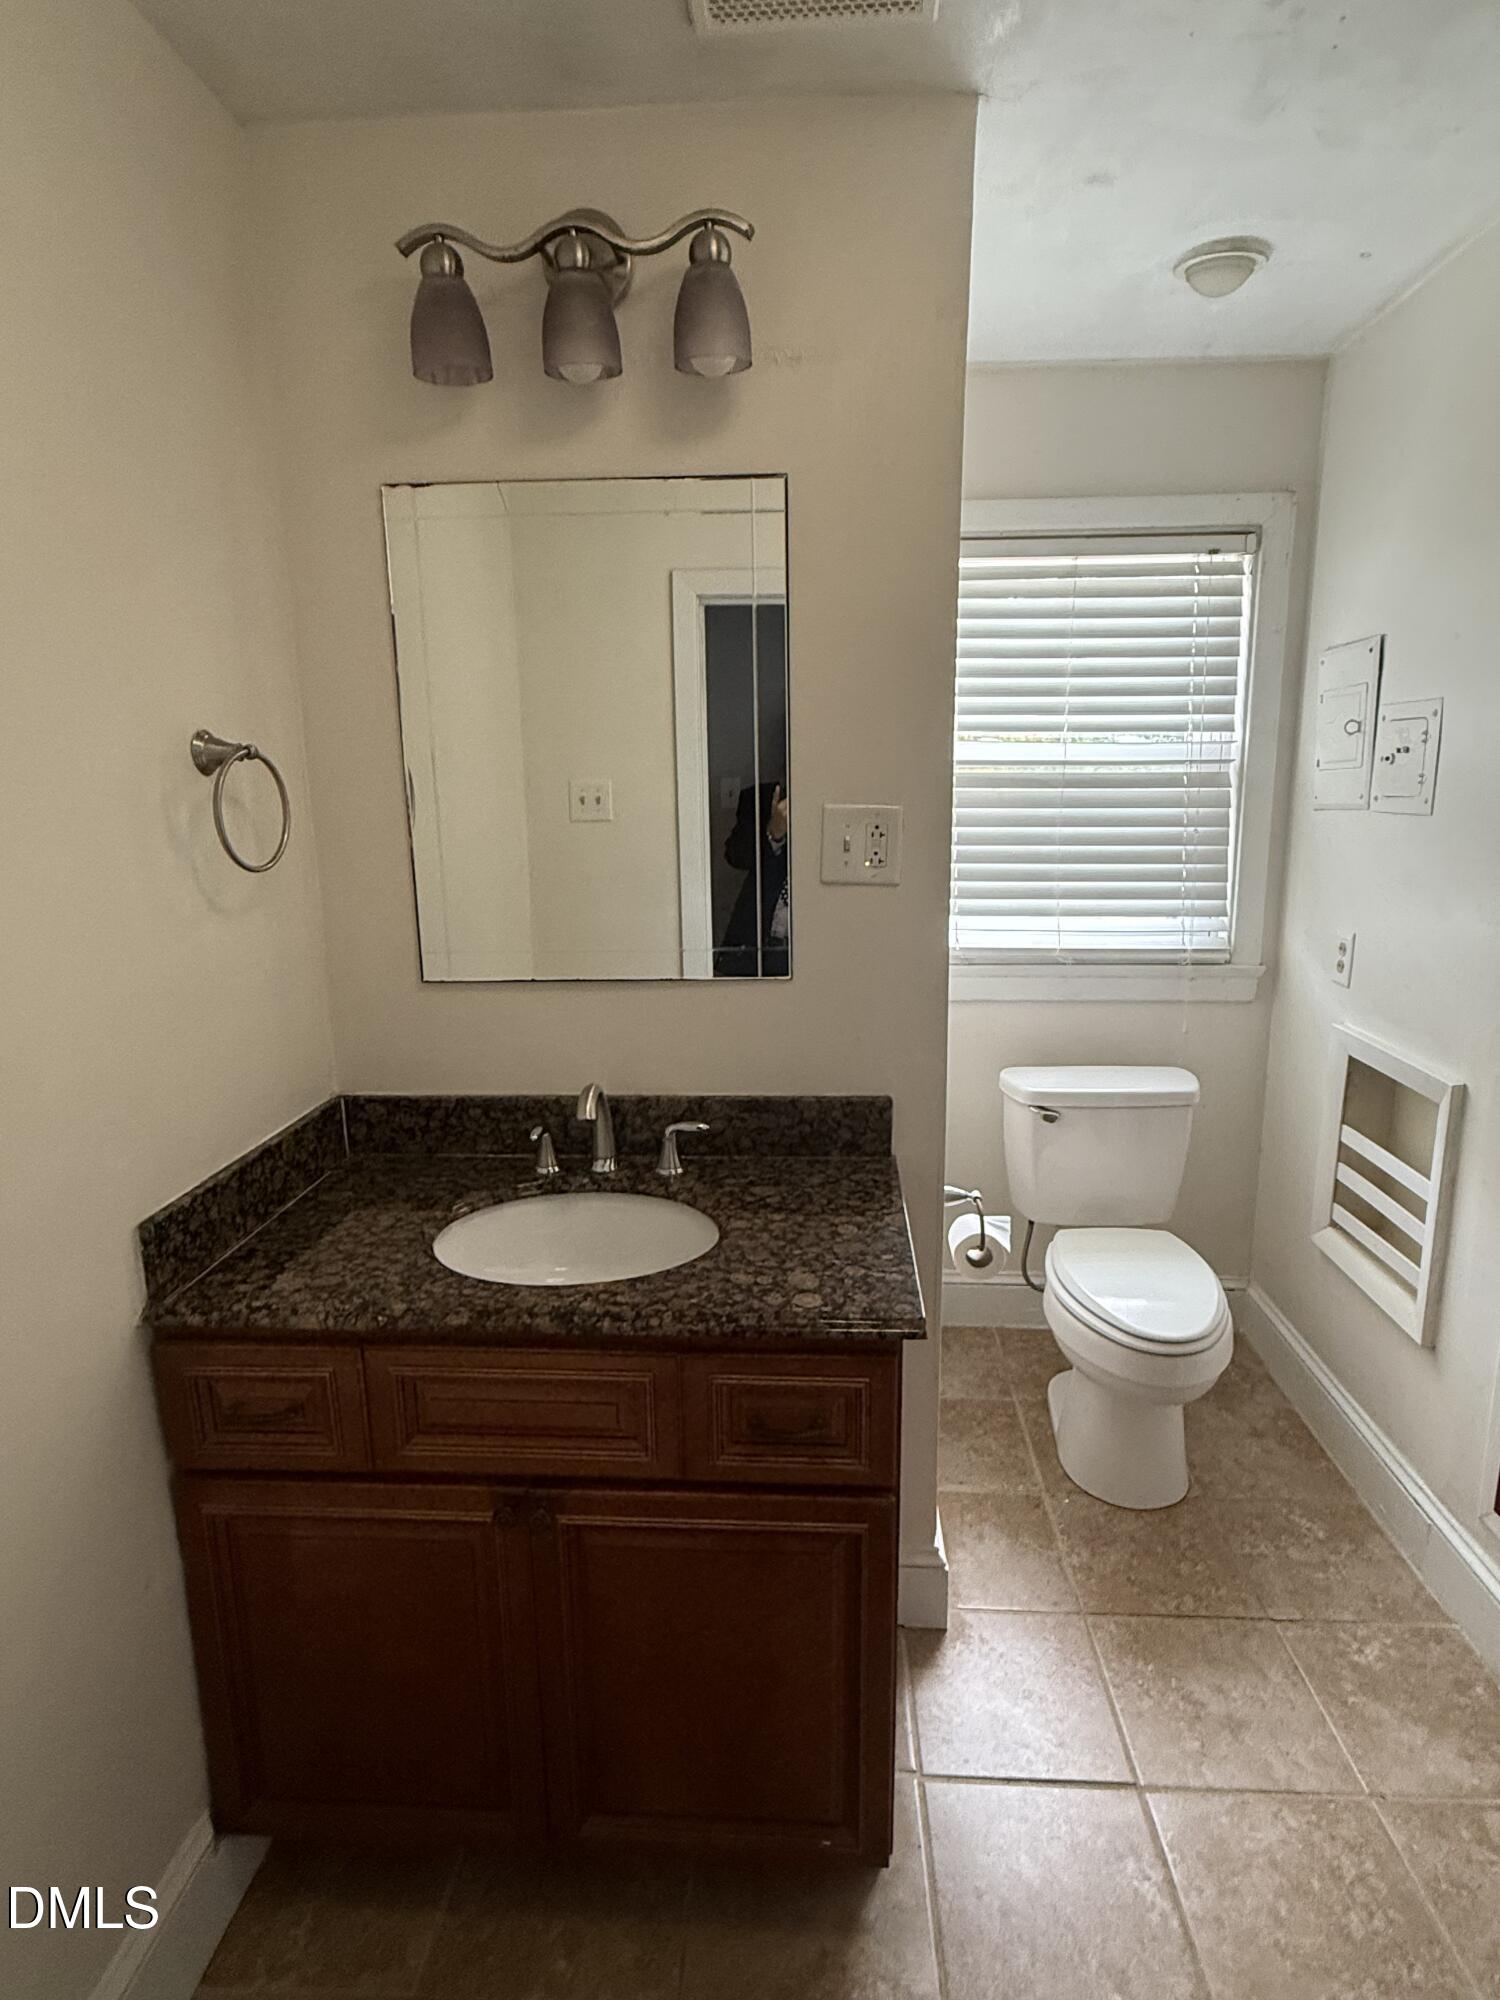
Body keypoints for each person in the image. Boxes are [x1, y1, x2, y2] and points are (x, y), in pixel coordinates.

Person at [717, 780, 789, 977]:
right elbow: (735, 855)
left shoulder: (834, 801)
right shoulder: (759, 798)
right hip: (757, 943)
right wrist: (773, 833)